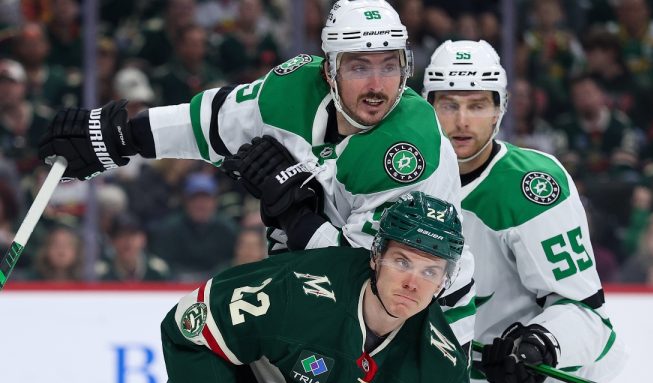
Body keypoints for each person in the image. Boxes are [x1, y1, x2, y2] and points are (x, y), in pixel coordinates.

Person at [38, 0, 474, 346]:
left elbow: (370, 280)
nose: (379, 86)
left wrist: (299, 218)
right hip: (319, 290)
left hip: (418, 321)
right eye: (360, 66)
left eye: (389, 66)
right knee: (201, 342)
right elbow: (211, 122)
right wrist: (120, 140)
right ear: (330, 70)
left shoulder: (411, 152)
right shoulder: (290, 91)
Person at [422, 40, 626, 383]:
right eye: (448, 104)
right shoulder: (405, 177)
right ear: (428, 106)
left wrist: (541, 345)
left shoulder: (531, 186)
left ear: (499, 109)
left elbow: (586, 313)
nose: (462, 120)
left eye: (477, 105)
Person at [160, 192, 470, 383]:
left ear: (445, 280)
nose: (412, 284)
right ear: (376, 256)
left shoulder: (442, 369)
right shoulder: (296, 290)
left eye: (430, 272)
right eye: (402, 262)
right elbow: (189, 324)